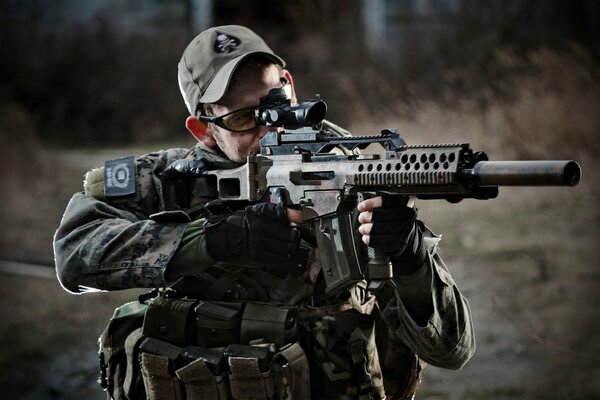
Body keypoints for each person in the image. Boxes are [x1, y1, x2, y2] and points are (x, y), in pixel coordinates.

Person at [54, 25, 475, 400]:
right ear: (203, 129)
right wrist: (217, 238)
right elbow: (75, 255)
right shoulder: (169, 180)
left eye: (278, 102)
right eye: (243, 118)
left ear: (290, 85)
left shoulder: (352, 172)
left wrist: (411, 258)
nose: (271, 127)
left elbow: (452, 349)